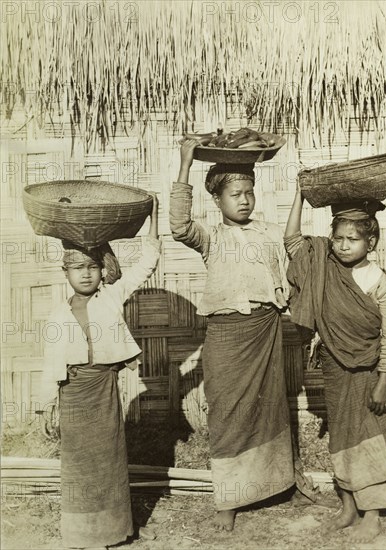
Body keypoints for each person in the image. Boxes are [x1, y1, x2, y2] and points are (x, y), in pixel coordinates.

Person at [169, 138, 295, 531]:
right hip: (227, 333)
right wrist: (185, 165)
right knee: (226, 412)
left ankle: (274, 484)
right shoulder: (211, 239)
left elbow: (294, 256)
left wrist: (302, 196)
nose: (244, 200)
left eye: (249, 193)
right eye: (235, 194)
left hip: (265, 329)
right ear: (217, 200)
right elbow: (178, 226)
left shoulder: (270, 233)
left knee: (269, 405)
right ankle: (228, 497)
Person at [38, 194, 160, 549]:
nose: (87, 273)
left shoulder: (111, 296)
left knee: (110, 460)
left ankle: (114, 529)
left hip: (104, 389)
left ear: (101, 270)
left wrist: (155, 218)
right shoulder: (57, 316)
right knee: (78, 464)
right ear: (66, 273)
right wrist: (47, 404)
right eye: (79, 268)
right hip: (74, 394)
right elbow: (51, 365)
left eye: (93, 266)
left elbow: (147, 262)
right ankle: (82, 534)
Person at [284, 187, 386, 543]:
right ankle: (349, 504)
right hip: (334, 366)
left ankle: (373, 511)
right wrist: (300, 196)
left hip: (368, 373)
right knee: (342, 437)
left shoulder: (380, 282)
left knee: (370, 438)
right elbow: (291, 240)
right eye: (338, 238)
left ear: (372, 241)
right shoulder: (322, 262)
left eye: (353, 239)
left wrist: (383, 381)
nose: (343, 245)